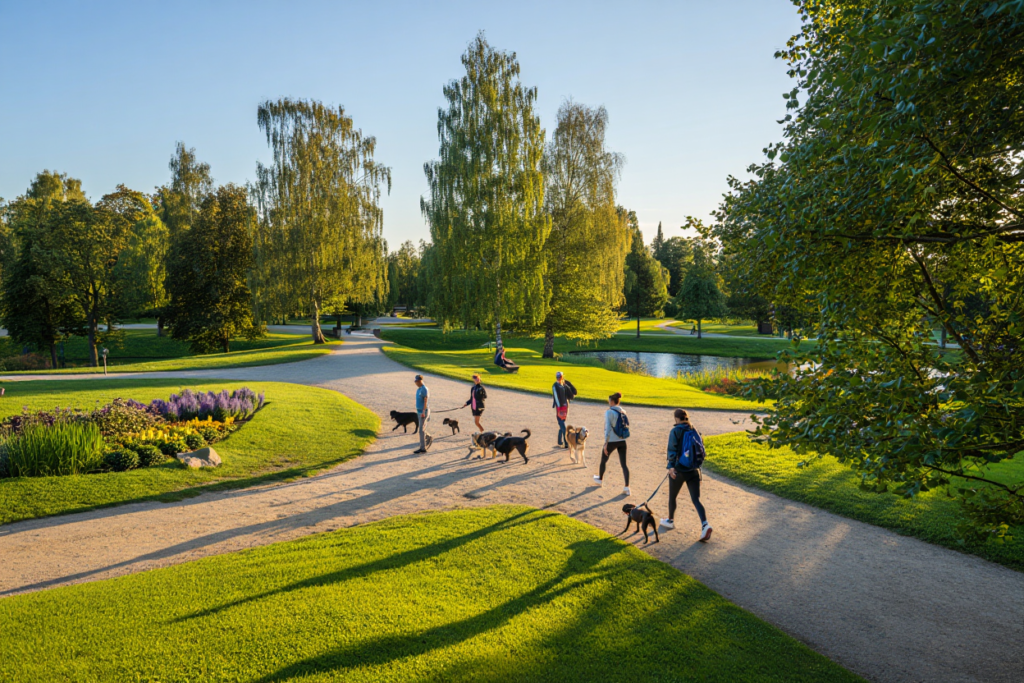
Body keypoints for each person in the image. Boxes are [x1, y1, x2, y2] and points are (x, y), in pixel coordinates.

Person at [661, 408, 712, 541]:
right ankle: (705, 524)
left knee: (672, 497)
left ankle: (670, 520)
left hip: (679, 470)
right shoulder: (694, 430)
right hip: (694, 470)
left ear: (676, 418)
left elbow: (671, 449)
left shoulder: (676, 430)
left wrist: (671, 467)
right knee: (696, 499)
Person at [595, 392, 630, 495]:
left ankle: (600, 479)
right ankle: (627, 487)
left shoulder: (609, 412)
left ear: (612, 401)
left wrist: (605, 443)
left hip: (611, 441)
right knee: (624, 465)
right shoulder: (623, 411)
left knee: (603, 460)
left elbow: (608, 429)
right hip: (622, 441)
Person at [551, 371, 576, 448]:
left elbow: (573, 393)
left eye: (560, 377)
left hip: (564, 407)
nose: (558, 378)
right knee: (562, 424)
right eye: (558, 377)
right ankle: (564, 442)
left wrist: (568, 385)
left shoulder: (564, 385)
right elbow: (556, 397)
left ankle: (562, 442)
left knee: (562, 423)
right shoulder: (555, 386)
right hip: (561, 407)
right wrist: (559, 407)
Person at [413, 374, 433, 454]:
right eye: (415, 381)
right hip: (419, 411)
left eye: (417, 381)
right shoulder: (419, 389)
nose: (415, 383)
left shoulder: (424, 389)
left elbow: (426, 400)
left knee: (421, 430)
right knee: (422, 429)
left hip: (423, 412)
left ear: (420, 381)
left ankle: (423, 448)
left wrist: (424, 411)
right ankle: (428, 437)